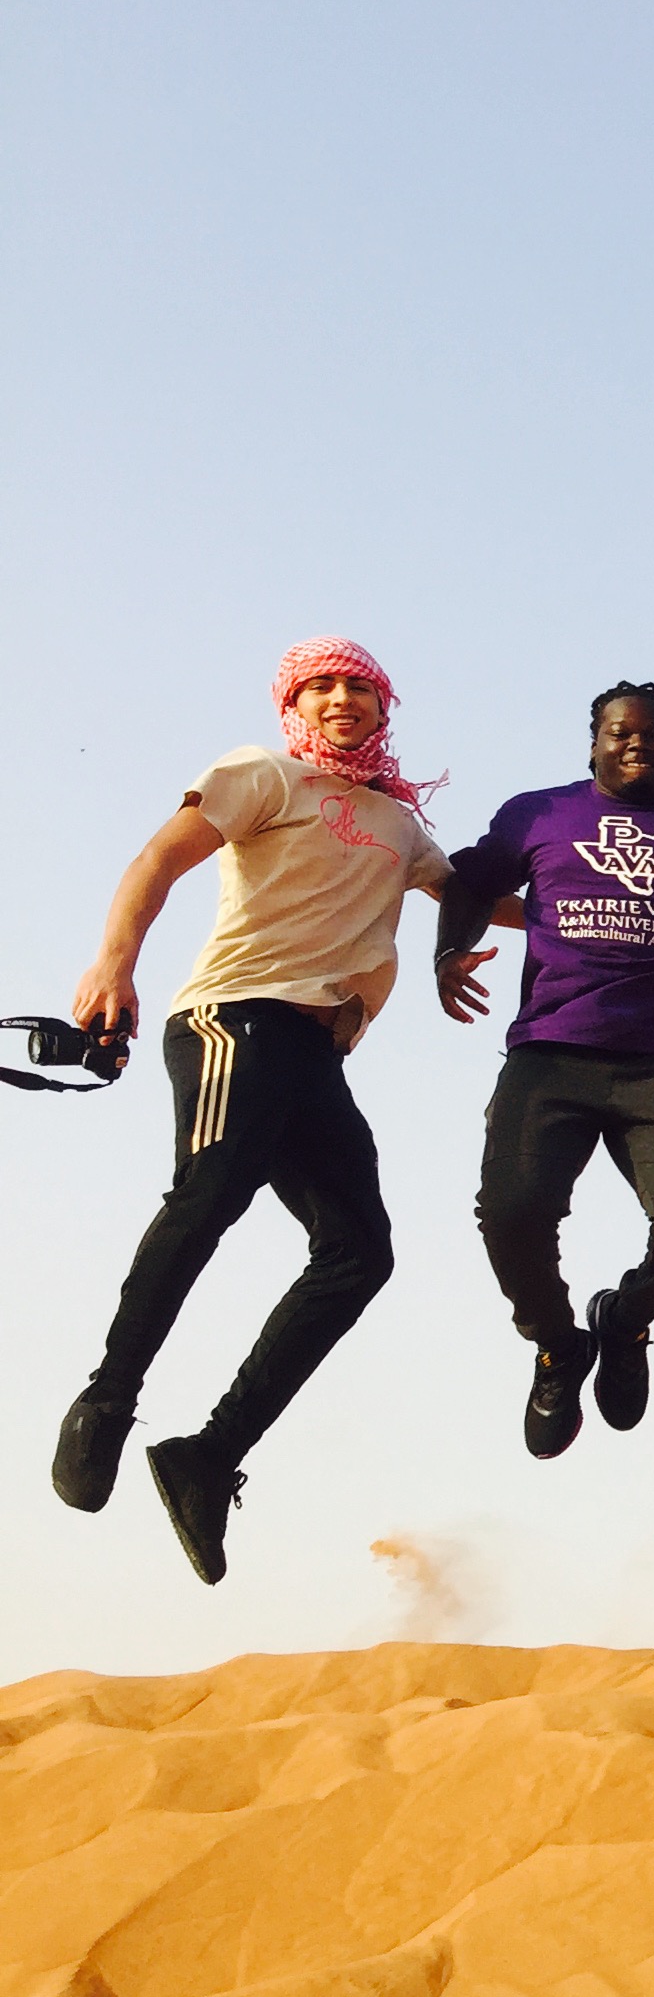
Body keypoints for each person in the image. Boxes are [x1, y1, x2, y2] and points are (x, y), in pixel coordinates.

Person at [54, 638, 457, 1583]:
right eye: (322, 684)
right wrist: (114, 960)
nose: (342, 697)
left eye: (360, 684)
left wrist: (576, 899)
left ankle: (208, 1454)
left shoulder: (398, 821)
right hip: (234, 1018)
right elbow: (159, 856)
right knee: (213, 1190)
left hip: (318, 1052)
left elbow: (470, 895)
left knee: (361, 1253)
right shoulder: (260, 774)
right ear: (295, 700)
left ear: (383, 703)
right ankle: (107, 1400)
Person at [433, 682, 654, 1458]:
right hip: (551, 1054)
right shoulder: (539, 814)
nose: (637, 745)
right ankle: (558, 1346)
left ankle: (624, 1322)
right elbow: (471, 880)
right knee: (511, 1213)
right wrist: (446, 952)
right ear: (593, 742)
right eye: (619, 733)